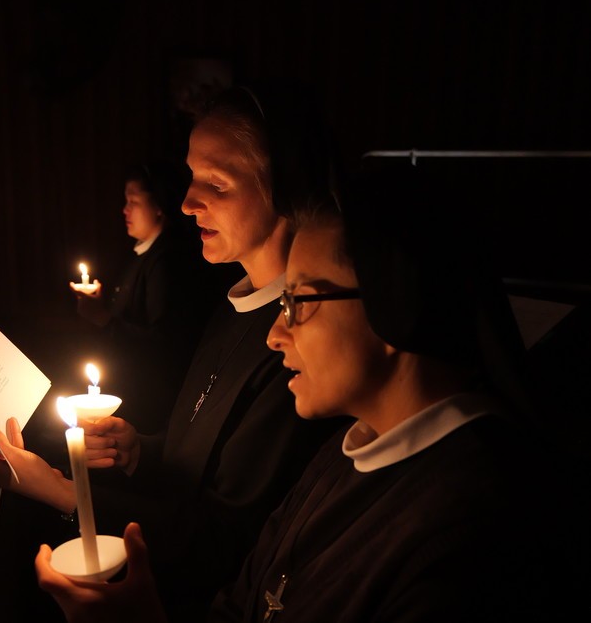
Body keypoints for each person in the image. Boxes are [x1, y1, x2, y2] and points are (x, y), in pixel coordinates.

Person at [34, 164, 583, 622]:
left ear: (395, 306)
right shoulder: (344, 451)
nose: (275, 334)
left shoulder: (473, 530)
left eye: (300, 302)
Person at [0, 81, 343, 622]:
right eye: (191, 178)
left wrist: (61, 490)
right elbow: (203, 448)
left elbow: (222, 538)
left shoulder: (301, 338)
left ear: (286, 189)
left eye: (216, 183)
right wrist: (143, 449)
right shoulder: (232, 303)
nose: (188, 203)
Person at [70, 160, 221, 433]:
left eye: (134, 201)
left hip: (152, 408)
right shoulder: (143, 254)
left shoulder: (166, 262)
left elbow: (164, 341)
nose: (125, 209)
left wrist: (103, 317)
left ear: (159, 204)